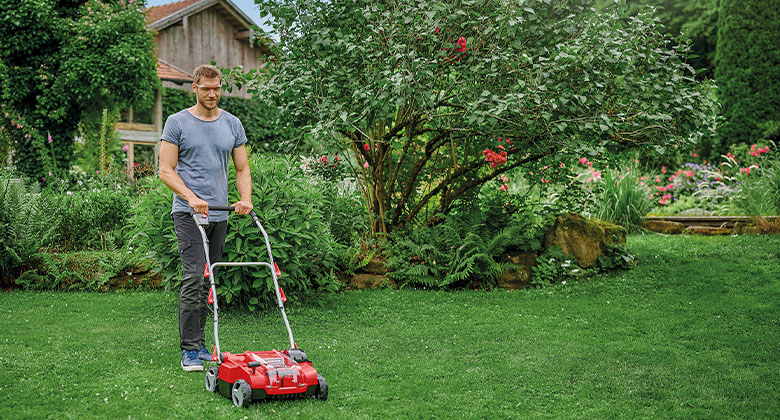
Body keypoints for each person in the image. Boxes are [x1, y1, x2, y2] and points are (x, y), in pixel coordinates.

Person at [159, 64, 253, 372]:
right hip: (188, 213)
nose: (211, 93)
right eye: (205, 88)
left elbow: (241, 168)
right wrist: (191, 197)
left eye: (216, 88)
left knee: (208, 278)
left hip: (220, 213)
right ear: (195, 89)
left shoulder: (232, 124)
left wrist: (245, 199)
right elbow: (166, 170)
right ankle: (189, 350)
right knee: (193, 276)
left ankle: (201, 344)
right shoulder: (177, 122)